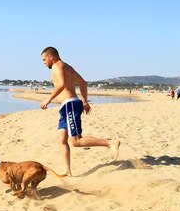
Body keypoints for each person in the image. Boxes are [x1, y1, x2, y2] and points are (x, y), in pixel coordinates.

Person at [40, 47, 120, 176]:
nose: (44, 63)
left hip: (70, 104)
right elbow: (83, 83)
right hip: (67, 107)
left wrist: (47, 100)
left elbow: (61, 84)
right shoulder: (68, 67)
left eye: (44, 60)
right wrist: (84, 101)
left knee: (75, 141)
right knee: (61, 139)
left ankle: (110, 143)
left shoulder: (57, 66)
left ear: (51, 57)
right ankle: (67, 171)